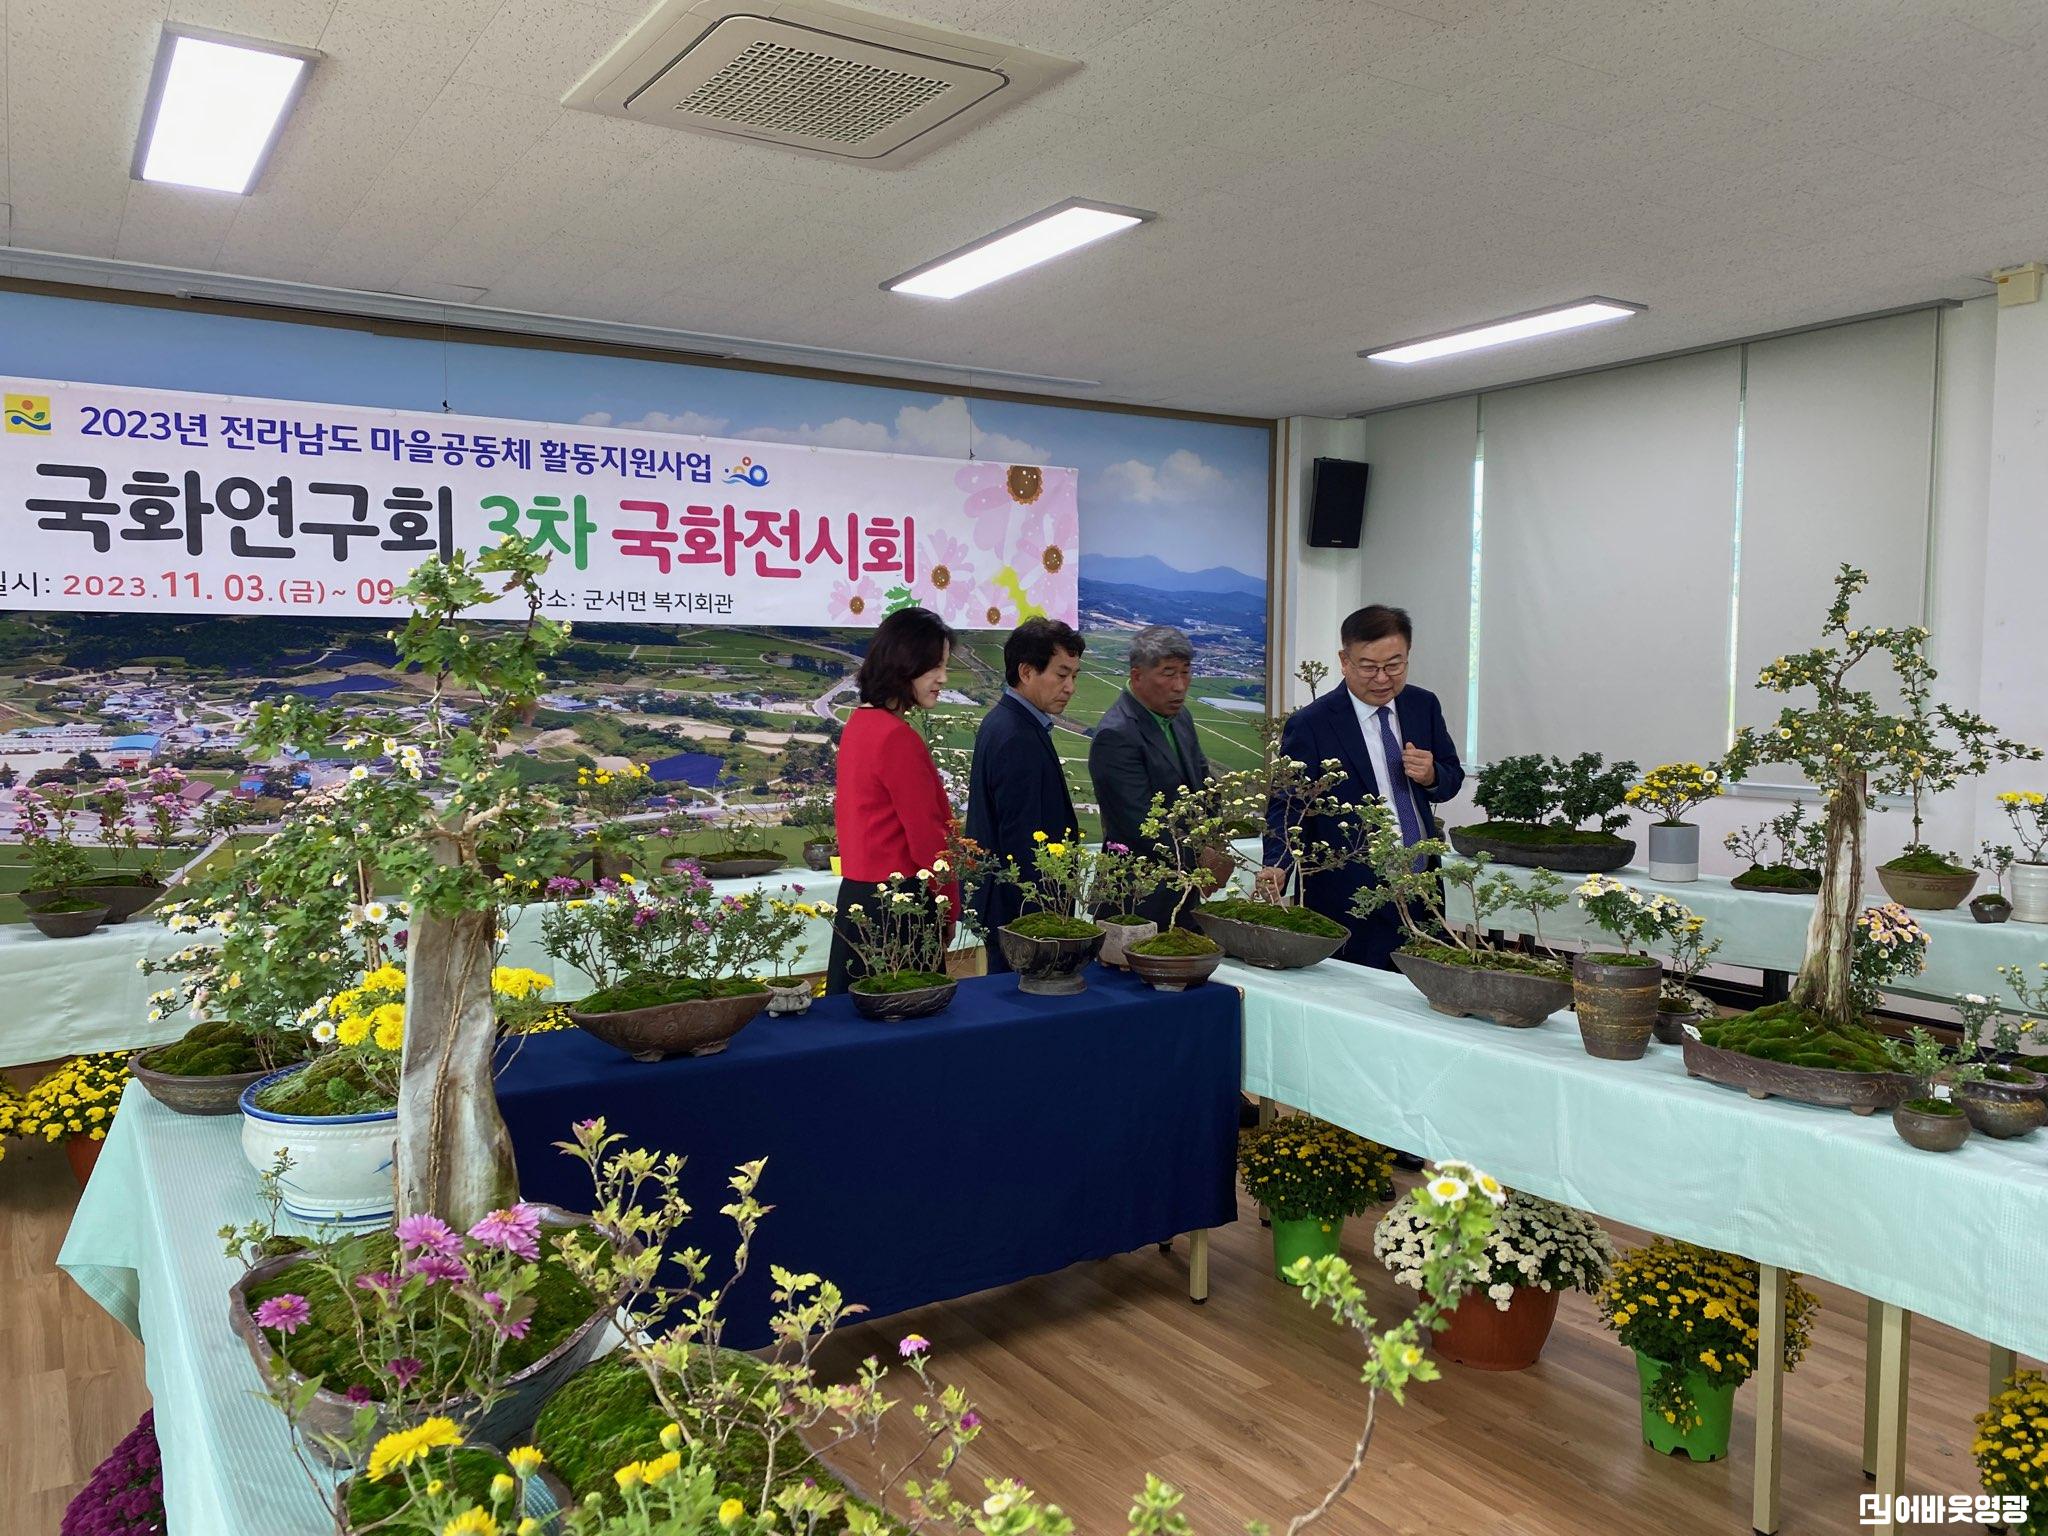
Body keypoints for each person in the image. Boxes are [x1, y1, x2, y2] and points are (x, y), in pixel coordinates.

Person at [1258, 604, 1464, 969]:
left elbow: (1451, 778)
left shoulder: (1423, 705)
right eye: (1369, 667)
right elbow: (1288, 805)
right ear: (1344, 660)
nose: (1382, 678)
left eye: (1394, 665)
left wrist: (1432, 775)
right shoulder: (1313, 724)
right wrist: (1277, 864)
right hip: (1348, 896)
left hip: (1422, 888)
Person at [825, 607, 961, 994]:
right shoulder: (896, 737)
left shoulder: (859, 724)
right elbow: (928, 838)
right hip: (899, 909)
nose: (943, 678)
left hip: (859, 900)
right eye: (935, 666)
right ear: (905, 664)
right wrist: (948, 905)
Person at [965, 618, 1084, 971]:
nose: (1070, 687)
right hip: (1023, 917)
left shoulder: (1008, 721)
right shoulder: (1016, 734)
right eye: (1061, 675)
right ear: (1027, 671)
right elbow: (1022, 837)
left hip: (1014, 912)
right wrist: (1042, 918)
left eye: (1074, 676)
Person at [1088, 624, 1211, 927]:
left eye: (1185, 672)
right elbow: (1138, 824)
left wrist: (1217, 843)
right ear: (1137, 676)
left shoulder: (1181, 718)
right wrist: (1201, 859)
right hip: (1136, 896)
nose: (1180, 686)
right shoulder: (1116, 734)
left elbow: (1204, 785)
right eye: (1168, 674)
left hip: (1183, 891)